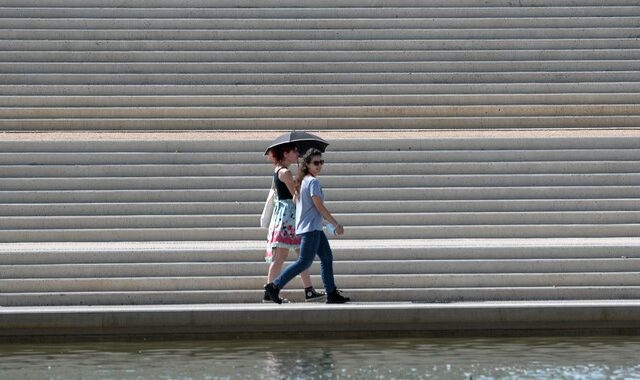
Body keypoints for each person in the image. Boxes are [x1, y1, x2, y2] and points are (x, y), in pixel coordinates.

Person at [264, 148, 350, 304]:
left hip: (313, 226)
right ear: (308, 165)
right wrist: (335, 223)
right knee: (304, 261)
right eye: (315, 163)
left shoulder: (304, 181)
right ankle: (275, 286)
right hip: (311, 228)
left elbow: (299, 200)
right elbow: (319, 206)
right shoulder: (313, 182)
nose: (319, 165)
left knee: (326, 257)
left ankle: (331, 292)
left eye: (321, 162)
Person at [264, 143, 325, 302]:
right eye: (295, 151)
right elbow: (295, 196)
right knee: (281, 257)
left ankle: (309, 290)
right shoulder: (285, 172)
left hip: (286, 218)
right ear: (285, 153)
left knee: (301, 256)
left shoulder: (279, 170)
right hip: (288, 220)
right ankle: (269, 292)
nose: (297, 154)